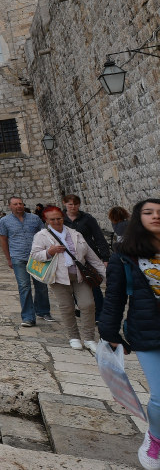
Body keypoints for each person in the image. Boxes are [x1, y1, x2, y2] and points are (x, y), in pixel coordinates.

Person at [99, 199, 160, 469]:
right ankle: (155, 438)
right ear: (138, 218)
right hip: (147, 331)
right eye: (149, 212)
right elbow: (114, 297)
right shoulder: (125, 254)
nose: (156, 216)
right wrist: (109, 332)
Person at [30, 205, 105, 351]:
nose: (57, 221)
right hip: (58, 277)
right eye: (52, 219)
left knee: (88, 304)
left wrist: (104, 273)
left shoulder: (75, 234)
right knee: (67, 307)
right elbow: (35, 255)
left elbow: (91, 256)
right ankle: (74, 337)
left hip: (79, 275)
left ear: (63, 217)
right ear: (46, 220)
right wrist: (49, 252)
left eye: (59, 218)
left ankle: (89, 338)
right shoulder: (42, 236)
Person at [0, 196, 52, 327]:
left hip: (37, 257)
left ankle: (43, 311)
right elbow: (3, 239)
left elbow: (44, 235)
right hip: (18, 257)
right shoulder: (4, 221)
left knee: (42, 286)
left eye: (20, 203)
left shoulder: (35, 218)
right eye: (15, 204)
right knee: (24, 287)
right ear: (10, 206)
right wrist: (8, 258)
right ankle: (28, 317)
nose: (19, 206)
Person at [63, 194, 111, 323]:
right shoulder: (60, 219)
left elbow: (99, 237)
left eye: (76, 204)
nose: (73, 207)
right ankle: (83, 309)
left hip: (88, 256)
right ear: (65, 204)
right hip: (69, 258)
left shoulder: (87, 219)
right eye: (70, 204)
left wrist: (105, 257)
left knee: (93, 283)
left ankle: (100, 313)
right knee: (74, 285)